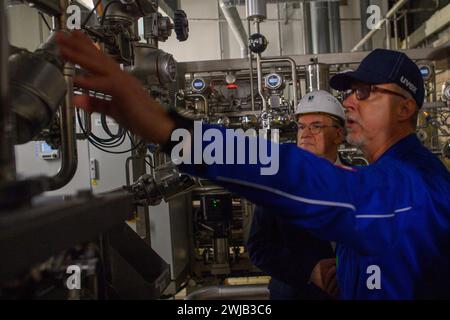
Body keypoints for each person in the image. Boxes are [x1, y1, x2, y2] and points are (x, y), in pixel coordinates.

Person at [55, 31, 450, 299]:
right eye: (348, 92)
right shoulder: (385, 176)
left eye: (365, 92)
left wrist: (169, 128)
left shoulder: (410, 186)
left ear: (406, 107)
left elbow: (291, 172)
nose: (350, 101)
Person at [247, 91, 346, 300]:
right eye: (301, 127)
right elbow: (258, 248)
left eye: (316, 126)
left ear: (339, 134)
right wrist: (308, 270)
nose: (305, 134)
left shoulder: (360, 180)